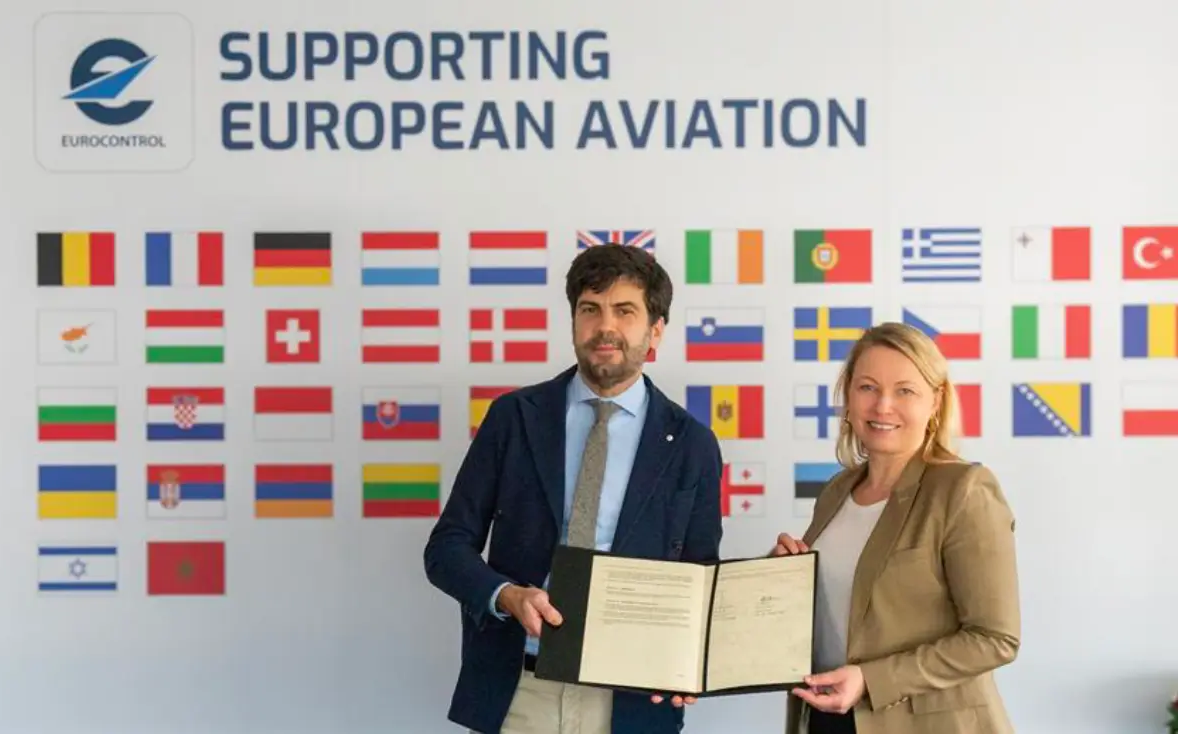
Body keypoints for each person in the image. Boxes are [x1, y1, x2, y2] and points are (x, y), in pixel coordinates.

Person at [423, 244, 724, 734]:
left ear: (656, 331)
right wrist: (505, 595)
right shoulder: (514, 419)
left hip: (631, 702)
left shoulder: (691, 444)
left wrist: (692, 661)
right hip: (519, 690)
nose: (605, 327)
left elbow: (699, 578)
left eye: (625, 311)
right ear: (573, 322)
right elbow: (446, 548)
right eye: (590, 310)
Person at [773, 322, 1020, 734]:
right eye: (867, 387)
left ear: (935, 401)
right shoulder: (837, 491)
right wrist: (782, 576)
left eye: (905, 390)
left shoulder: (963, 489)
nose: (882, 406)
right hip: (826, 718)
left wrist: (872, 680)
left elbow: (995, 637)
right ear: (848, 398)